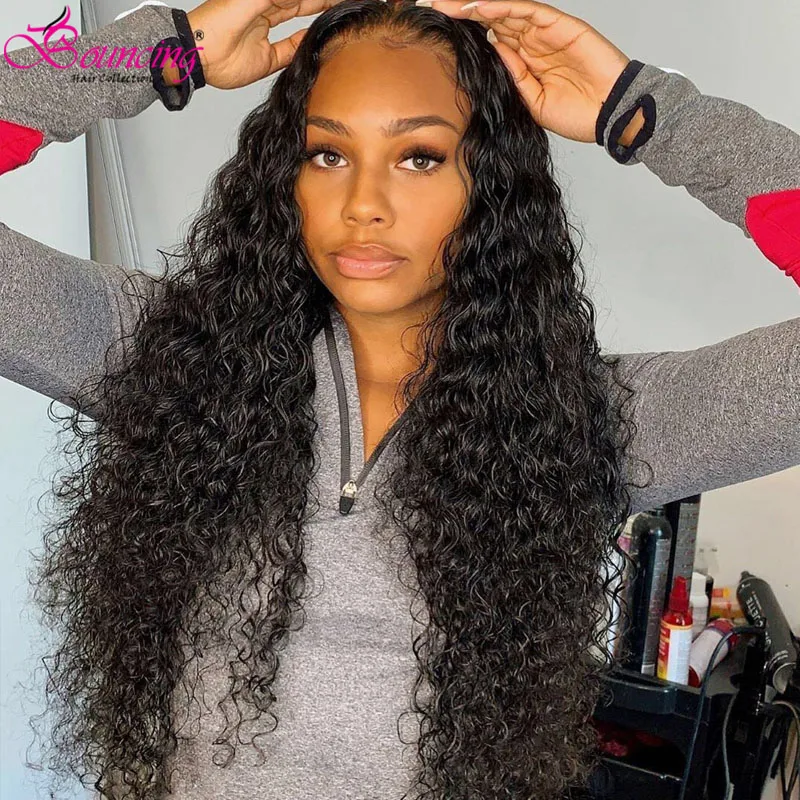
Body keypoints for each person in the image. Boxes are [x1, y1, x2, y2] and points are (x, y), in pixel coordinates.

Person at [0, 0, 798, 798]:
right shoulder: (170, 356)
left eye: (419, 156)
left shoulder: (589, 417)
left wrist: (647, 112)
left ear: (492, 183)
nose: (363, 204)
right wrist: (163, 54)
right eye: (327, 154)